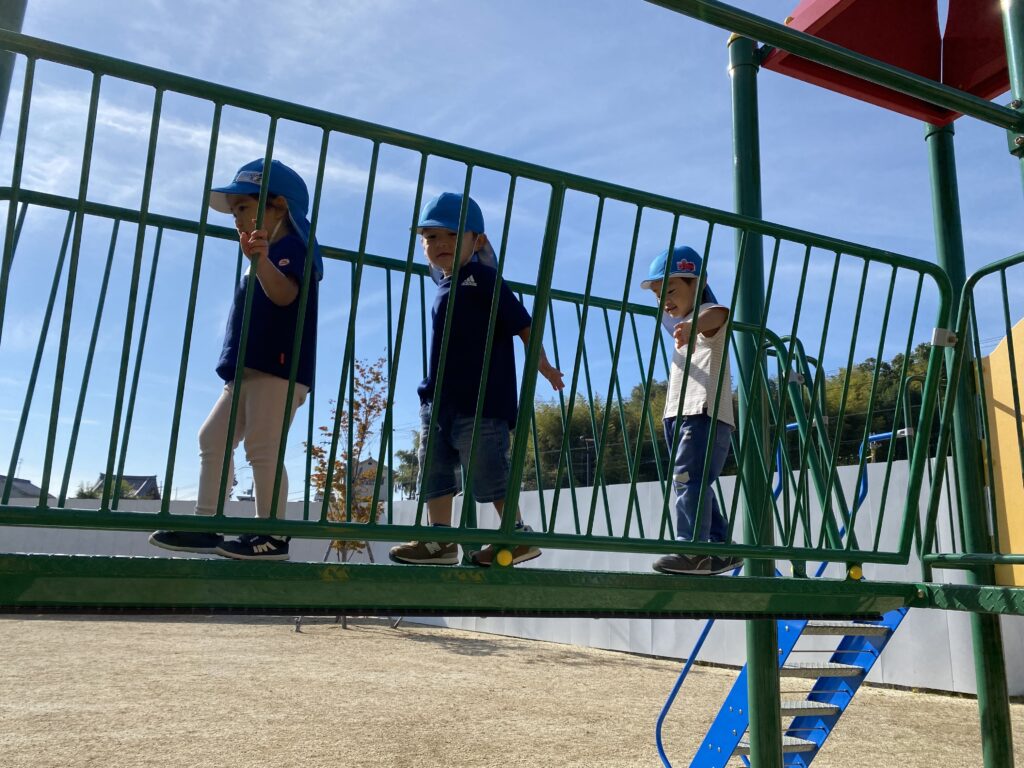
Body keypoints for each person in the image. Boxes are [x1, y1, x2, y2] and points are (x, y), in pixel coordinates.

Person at [150, 159, 322, 561]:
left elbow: (286, 295)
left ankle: (272, 534)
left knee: (262, 447)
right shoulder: (264, 255)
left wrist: (260, 261)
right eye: (234, 211)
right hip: (247, 371)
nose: (237, 218)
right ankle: (206, 524)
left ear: (279, 206)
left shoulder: (292, 248)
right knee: (212, 437)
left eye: (243, 207)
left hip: (278, 369)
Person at [389, 192, 564, 567]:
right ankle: (439, 541)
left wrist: (543, 364)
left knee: (488, 470)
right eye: (431, 237)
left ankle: (515, 534)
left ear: (478, 240)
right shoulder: (443, 285)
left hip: (483, 401)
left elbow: (524, 324)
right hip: (439, 401)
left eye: (452, 235)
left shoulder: (483, 279)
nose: (440, 243)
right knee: (433, 469)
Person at [641, 245, 742, 575]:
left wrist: (694, 323)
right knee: (689, 481)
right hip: (679, 414)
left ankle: (691, 549)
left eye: (670, 291)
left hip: (703, 412)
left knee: (688, 478)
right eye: (658, 295)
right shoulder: (679, 324)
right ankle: (720, 546)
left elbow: (721, 313)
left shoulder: (707, 317)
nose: (664, 301)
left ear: (698, 284)